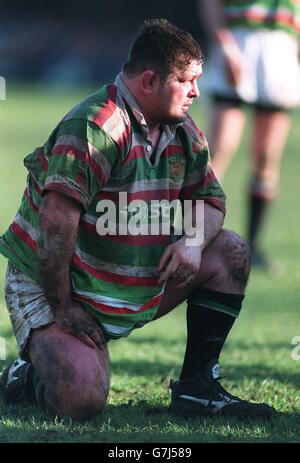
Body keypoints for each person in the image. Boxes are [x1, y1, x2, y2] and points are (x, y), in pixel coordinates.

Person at [0, 19, 275, 421]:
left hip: (120, 278)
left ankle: (198, 388)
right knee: (80, 403)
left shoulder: (182, 129)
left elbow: (211, 200)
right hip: (56, 283)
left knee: (229, 252)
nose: (197, 91)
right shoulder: (98, 126)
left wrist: (193, 243)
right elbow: (56, 223)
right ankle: (24, 376)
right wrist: (63, 307)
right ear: (149, 82)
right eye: (187, 81)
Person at [199, 0, 300, 269]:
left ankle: (253, 249)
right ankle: (196, 240)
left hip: (281, 45)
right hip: (239, 41)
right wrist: (224, 43)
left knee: (266, 156)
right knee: (218, 150)